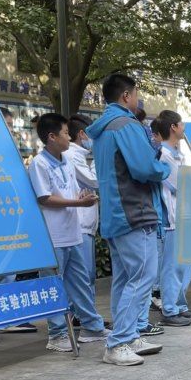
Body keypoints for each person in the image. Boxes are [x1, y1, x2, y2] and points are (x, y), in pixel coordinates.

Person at [87, 73, 171, 366]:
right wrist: (164, 170)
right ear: (126, 96)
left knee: (125, 277)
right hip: (133, 210)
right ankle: (119, 340)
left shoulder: (104, 128)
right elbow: (144, 168)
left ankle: (129, 335)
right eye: (136, 94)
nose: (138, 100)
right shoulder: (127, 124)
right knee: (143, 275)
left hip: (115, 213)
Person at [27, 113, 108, 352]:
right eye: (64, 133)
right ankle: (56, 334)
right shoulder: (39, 164)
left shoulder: (67, 161)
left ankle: (93, 326)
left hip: (72, 232)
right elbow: (45, 197)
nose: (68, 136)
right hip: (53, 235)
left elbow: (71, 192)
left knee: (80, 282)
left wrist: (82, 198)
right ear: (51, 137)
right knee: (53, 284)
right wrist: (78, 204)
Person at [0, 107, 37, 344]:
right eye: (6, 125)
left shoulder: (10, 152)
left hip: (9, 219)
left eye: (11, 126)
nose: (9, 130)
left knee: (9, 270)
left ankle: (7, 318)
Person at [62, 114, 113, 332]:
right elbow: (93, 181)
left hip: (86, 225)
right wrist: (100, 161)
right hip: (79, 225)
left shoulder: (80, 155)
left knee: (86, 275)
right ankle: (82, 318)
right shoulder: (72, 155)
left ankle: (84, 316)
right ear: (82, 134)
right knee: (82, 276)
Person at [150, 110, 191, 327]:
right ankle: (169, 310)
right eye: (181, 123)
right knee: (171, 265)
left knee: (180, 265)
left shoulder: (177, 153)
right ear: (173, 128)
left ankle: (178, 304)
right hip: (170, 217)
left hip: (182, 215)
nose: (183, 127)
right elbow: (178, 184)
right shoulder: (164, 155)